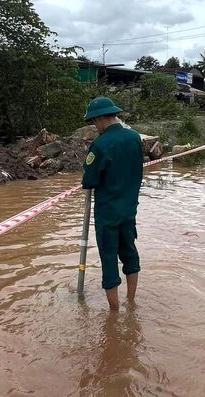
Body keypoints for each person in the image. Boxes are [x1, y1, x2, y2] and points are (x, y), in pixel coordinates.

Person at [81, 96, 144, 311]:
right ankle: (131, 303)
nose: (94, 126)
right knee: (130, 254)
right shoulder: (135, 138)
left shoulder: (100, 144)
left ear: (99, 119)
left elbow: (89, 181)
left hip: (107, 213)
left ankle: (114, 314)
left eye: (93, 122)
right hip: (129, 210)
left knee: (109, 260)